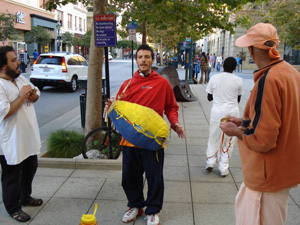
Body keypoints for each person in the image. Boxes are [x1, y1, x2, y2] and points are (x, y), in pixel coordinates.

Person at [220, 23, 300, 225]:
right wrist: (244, 122)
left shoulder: (269, 79)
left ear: (251, 50)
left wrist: (236, 132)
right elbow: (284, 117)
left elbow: (263, 140)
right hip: (284, 168)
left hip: (266, 173)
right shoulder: (291, 73)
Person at [105, 44, 185, 225]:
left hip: (153, 140)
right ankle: (135, 205)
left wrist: (175, 124)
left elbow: (171, 107)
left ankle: (153, 210)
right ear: (136, 60)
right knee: (129, 177)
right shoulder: (127, 85)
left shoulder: (162, 83)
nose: (143, 60)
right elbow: (118, 109)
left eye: (147, 57)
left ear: (152, 59)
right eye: (140, 57)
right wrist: (109, 108)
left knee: (154, 177)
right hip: (130, 140)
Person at [0, 46, 43, 222]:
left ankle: (25, 197)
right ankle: (13, 208)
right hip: (11, 141)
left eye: (16, 59)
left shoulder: (20, 78)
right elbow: (5, 111)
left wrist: (33, 96)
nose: (18, 62)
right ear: (3, 66)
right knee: (12, 176)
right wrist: (23, 96)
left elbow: (35, 92)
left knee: (30, 168)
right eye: (13, 60)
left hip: (28, 137)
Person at [205, 57, 243, 177]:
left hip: (217, 112)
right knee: (229, 141)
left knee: (213, 136)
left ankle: (210, 161)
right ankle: (223, 167)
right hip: (232, 113)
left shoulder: (215, 78)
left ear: (223, 66)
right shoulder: (239, 80)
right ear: (235, 67)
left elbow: (209, 97)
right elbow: (238, 99)